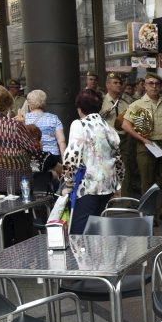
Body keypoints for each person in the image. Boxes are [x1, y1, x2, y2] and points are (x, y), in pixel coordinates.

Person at [0, 84, 42, 245]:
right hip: (17, 180)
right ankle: (23, 259)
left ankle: (1, 256)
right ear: (7, 102)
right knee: (20, 221)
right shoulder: (15, 126)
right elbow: (35, 149)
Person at [122, 72, 162, 227]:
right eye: (150, 83)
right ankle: (148, 215)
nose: (154, 86)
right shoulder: (137, 105)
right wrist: (142, 139)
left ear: (161, 86)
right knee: (147, 182)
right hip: (145, 145)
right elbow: (125, 125)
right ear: (145, 86)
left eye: (156, 84)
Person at [63, 89, 124, 234]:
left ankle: (81, 256)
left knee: (79, 231)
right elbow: (118, 158)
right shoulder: (107, 126)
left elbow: (71, 155)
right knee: (97, 229)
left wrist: (68, 182)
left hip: (88, 186)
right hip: (108, 185)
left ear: (80, 108)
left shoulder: (79, 124)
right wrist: (118, 183)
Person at [100, 73, 138, 198]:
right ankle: (108, 197)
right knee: (108, 168)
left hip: (124, 138)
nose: (118, 85)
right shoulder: (101, 101)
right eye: (115, 82)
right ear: (108, 85)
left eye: (120, 83)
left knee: (124, 168)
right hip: (107, 140)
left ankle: (124, 198)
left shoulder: (126, 101)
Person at [24, 89, 66, 174]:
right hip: (53, 157)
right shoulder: (54, 118)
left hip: (33, 157)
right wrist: (65, 162)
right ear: (44, 103)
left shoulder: (24, 119)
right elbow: (62, 141)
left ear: (29, 104)